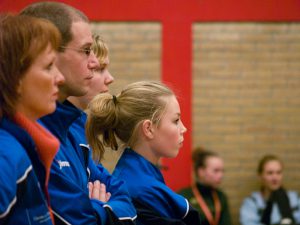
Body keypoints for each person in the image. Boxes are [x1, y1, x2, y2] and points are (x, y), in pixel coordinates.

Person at [21, 2, 136, 225]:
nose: (93, 63)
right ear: (48, 53)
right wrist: (99, 207)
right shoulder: (33, 138)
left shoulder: (71, 132)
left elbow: (124, 199)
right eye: (85, 51)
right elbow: (81, 221)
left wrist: (94, 208)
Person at [86, 81, 202, 225]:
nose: (183, 128)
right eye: (176, 120)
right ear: (148, 129)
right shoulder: (142, 190)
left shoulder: (137, 175)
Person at [0, 13, 64, 224]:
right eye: (48, 67)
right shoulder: (5, 156)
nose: (59, 78)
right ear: (14, 78)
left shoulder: (21, 144)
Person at [240, 154, 300, 225]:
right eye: (270, 173)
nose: (275, 178)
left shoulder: (294, 199)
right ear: (260, 176)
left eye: (278, 173)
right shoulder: (252, 203)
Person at [178, 147, 232, 225]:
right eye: (216, 171)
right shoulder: (184, 196)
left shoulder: (221, 197)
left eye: (222, 171)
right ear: (201, 171)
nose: (221, 175)